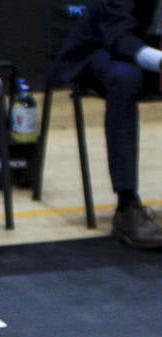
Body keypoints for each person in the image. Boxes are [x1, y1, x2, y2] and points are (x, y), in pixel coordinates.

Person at [53, 0, 162, 249]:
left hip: (153, 52)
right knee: (125, 79)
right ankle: (127, 206)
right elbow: (117, 34)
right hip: (105, 49)